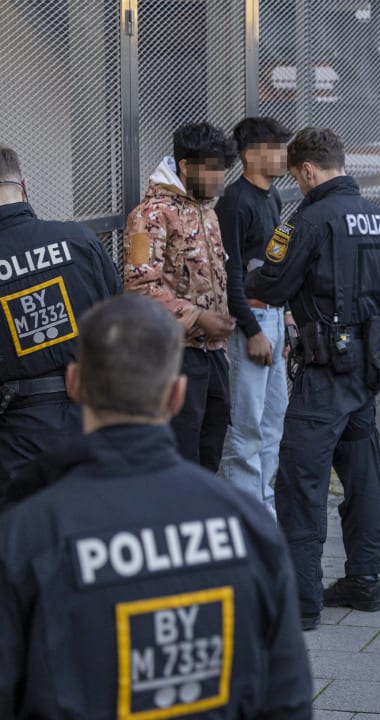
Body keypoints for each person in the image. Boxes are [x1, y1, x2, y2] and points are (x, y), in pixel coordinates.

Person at [0, 294, 313, 717]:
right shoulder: (247, 525)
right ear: (176, 394)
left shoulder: (26, 536)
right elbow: (287, 699)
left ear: (75, 385)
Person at [245, 127, 380, 629]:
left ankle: (301, 601)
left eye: (297, 176)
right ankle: (365, 580)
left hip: (323, 370)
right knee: (363, 475)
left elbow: (272, 283)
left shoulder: (307, 219)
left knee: (301, 482)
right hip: (368, 366)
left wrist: (243, 278)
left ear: (307, 170)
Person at [0, 146, 121, 485]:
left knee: (26, 532)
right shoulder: (80, 240)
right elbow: (122, 324)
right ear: (23, 185)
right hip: (92, 415)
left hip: (16, 435)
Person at [125, 122, 237, 471]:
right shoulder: (148, 216)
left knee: (209, 456)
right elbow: (140, 287)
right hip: (175, 359)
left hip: (213, 357)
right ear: (187, 166)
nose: (220, 178)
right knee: (179, 460)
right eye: (213, 169)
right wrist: (196, 316)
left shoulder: (207, 210)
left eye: (223, 169)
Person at [216, 116, 292, 516]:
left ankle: (264, 512)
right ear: (250, 154)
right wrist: (250, 330)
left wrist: (287, 319)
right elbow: (230, 275)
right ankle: (244, 519)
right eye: (275, 146)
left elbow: (275, 264)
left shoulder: (272, 197)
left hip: (275, 321)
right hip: (253, 324)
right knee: (244, 427)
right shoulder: (234, 201)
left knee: (272, 422)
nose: (283, 154)